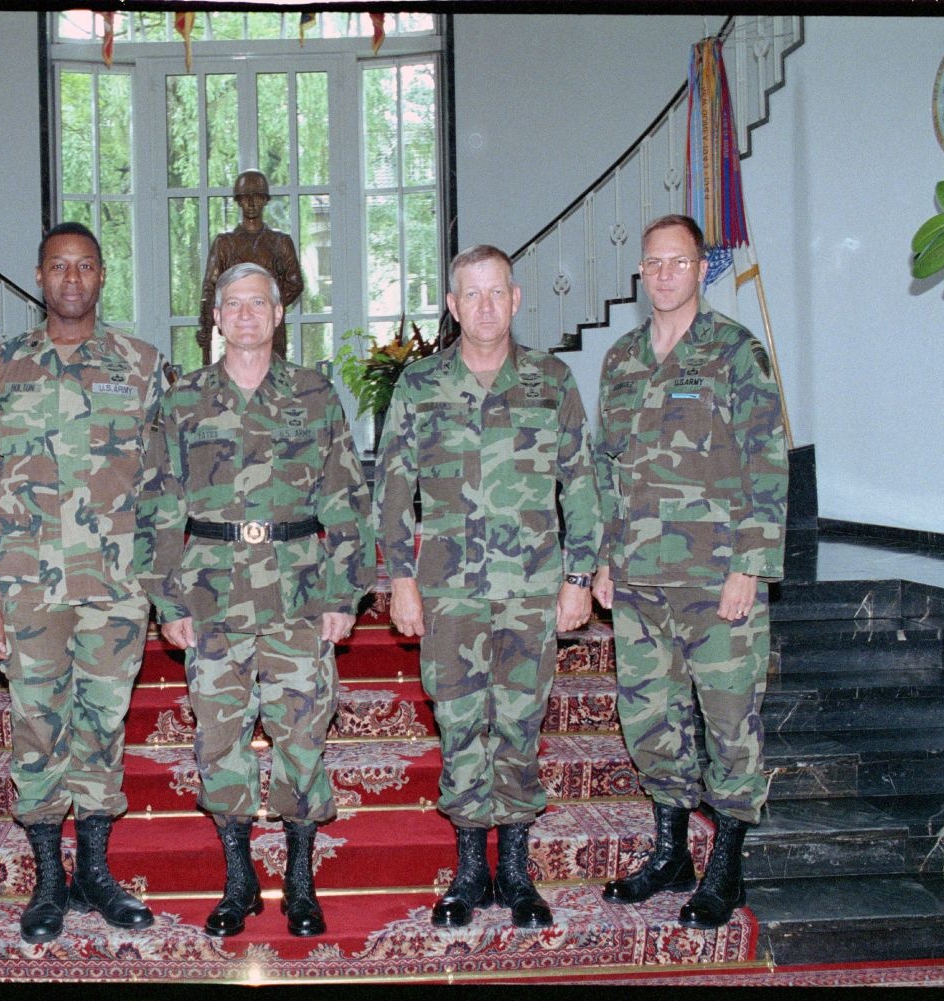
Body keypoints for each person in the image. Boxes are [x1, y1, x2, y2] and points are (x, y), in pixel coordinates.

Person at [140, 262, 373, 938]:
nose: (245, 315)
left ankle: (300, 881)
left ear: (278, 316)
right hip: (210, 594)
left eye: (257, 304)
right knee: (220, 739)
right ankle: (238, 878)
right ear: (216, 317)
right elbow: (158, 502)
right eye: (232, 304)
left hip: (299, 590)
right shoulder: (183, 401)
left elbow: (347, 498)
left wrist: (344, 591)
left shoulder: (314, 394)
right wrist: (166, 598)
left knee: (302, 732)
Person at [374, 244, 600, 929]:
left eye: (496, 292)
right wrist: (400, 577)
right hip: (449, 592)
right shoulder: (419, 386)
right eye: (470, 295)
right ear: (451, 306)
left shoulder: (551, 381)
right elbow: (391, 487)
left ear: (516, 297)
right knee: (462, 722)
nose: (484, 306)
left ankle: (517, 872)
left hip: (531, 586)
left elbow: (581, 481)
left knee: (521, 725)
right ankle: (471, 868)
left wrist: (580, 575)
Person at [0, 222, 165, 944]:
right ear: (38, 277)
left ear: (103, 276)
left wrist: (163, 578)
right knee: (38, 730)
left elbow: (164, 482)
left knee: (103, 727)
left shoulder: (140, 364)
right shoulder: (0, 368)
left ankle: (96, 875)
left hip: (114, 587)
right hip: (24, 588)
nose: (71, 279)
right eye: (58, 267)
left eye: (85, 266)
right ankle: (48, 881)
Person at [592, 214, 787, 929]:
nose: (665, 274)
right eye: (653, 263)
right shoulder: (620, 360)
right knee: (649, 720)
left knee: (730, 720)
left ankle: (726, 868)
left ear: (702, 269)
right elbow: (604, 469)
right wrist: (604, 557)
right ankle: (670, 852)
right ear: (641, 272)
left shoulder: (736, 353)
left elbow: (768, 460)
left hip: (716, 582)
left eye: (678, 262)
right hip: (640, 582)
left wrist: (752, 567)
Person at [196, 170, 304, 363]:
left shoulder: (280, 242)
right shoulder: (224, 244)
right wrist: (207, 325)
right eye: (246, 197)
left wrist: (267, 305)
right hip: (237, 324)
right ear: (238, 201)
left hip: (272, 330)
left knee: (274, 380)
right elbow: (211, 287)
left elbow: (295, 283)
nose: (252, 203)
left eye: (257, 197)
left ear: (265, 200)